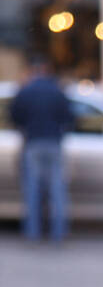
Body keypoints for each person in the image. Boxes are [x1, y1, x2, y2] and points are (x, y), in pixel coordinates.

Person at [10, 56, 74, 241]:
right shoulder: (57, 90)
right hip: (53, 142)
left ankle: (33, 232)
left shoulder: (25, 90)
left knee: (32, 189)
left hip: (33, 142)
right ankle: (58, 232)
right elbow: (69, 117)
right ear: (48, 69)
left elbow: (14, 115)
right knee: (57, 190)